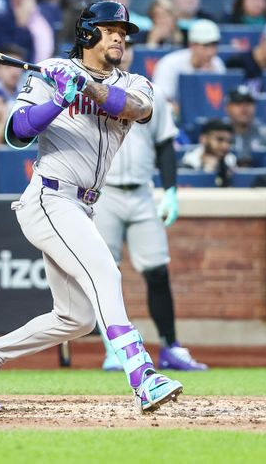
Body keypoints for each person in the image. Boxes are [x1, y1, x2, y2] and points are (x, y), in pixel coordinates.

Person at [0, 1, 183, 413]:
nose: (119, 37)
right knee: (104, 271)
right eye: (110, 29)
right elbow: (16, 132)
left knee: (75, 319)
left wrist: (88, 89)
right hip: (49, 197)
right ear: (87, 33)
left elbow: (136, 109)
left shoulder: (136, 82)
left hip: (85, 205)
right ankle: (142, 375)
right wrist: (59, 99)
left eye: (124, 31)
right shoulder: (50, 73)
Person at [95, 37, 206, 372]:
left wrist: (170, 190)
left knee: (157, 272)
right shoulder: (90, 90)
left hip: (142, 192)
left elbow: (165, 145)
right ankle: (113, 350)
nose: (120, 49)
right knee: (104, 274)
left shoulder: (147, 89)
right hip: (103, 193)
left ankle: (171, 347)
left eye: (125, 45)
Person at [152, 19, 225, 110]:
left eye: (214, 46)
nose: (210, 52)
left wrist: (209, 77)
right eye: (205, 46)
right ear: (192, 45)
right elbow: (161, 100)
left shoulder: (217, 64)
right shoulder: (169, 64)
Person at [223, 85, 266, 167]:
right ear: (227, 107)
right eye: (238, 103)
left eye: (249, 103)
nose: (244, 108)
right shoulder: (220, 134)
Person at [179, 118, 236, 187]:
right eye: (219, 139)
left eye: (229, 141)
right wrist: (206, 169)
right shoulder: (188, 163)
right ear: (203, 139)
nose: (225, 146)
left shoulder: (231, 162)